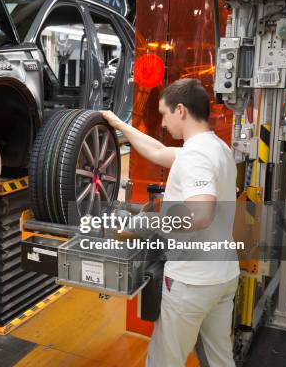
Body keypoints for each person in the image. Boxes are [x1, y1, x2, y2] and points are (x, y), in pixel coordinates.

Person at [102, 78, 239, 367]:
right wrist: (119, 124)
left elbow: (201, 215)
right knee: (219, 359)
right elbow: (157, 151)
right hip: (223, 274)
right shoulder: (217, 148)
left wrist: (147, 222)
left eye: (164, 114)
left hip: (192, 281)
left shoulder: (195, 157)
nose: (163, 124)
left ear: (180, 110)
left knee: (165, 361)